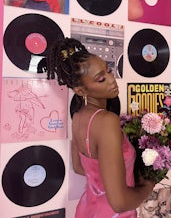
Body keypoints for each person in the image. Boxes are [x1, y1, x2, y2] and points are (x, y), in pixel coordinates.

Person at [47, 37, 155, 218]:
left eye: (109, 70)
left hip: (87, 209)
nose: (112, 80)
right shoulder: (107, 121)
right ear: (81, 91)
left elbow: (80, 168)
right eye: (101, 79)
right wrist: (148, 186)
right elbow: (119, 203)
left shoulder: (79, 116)